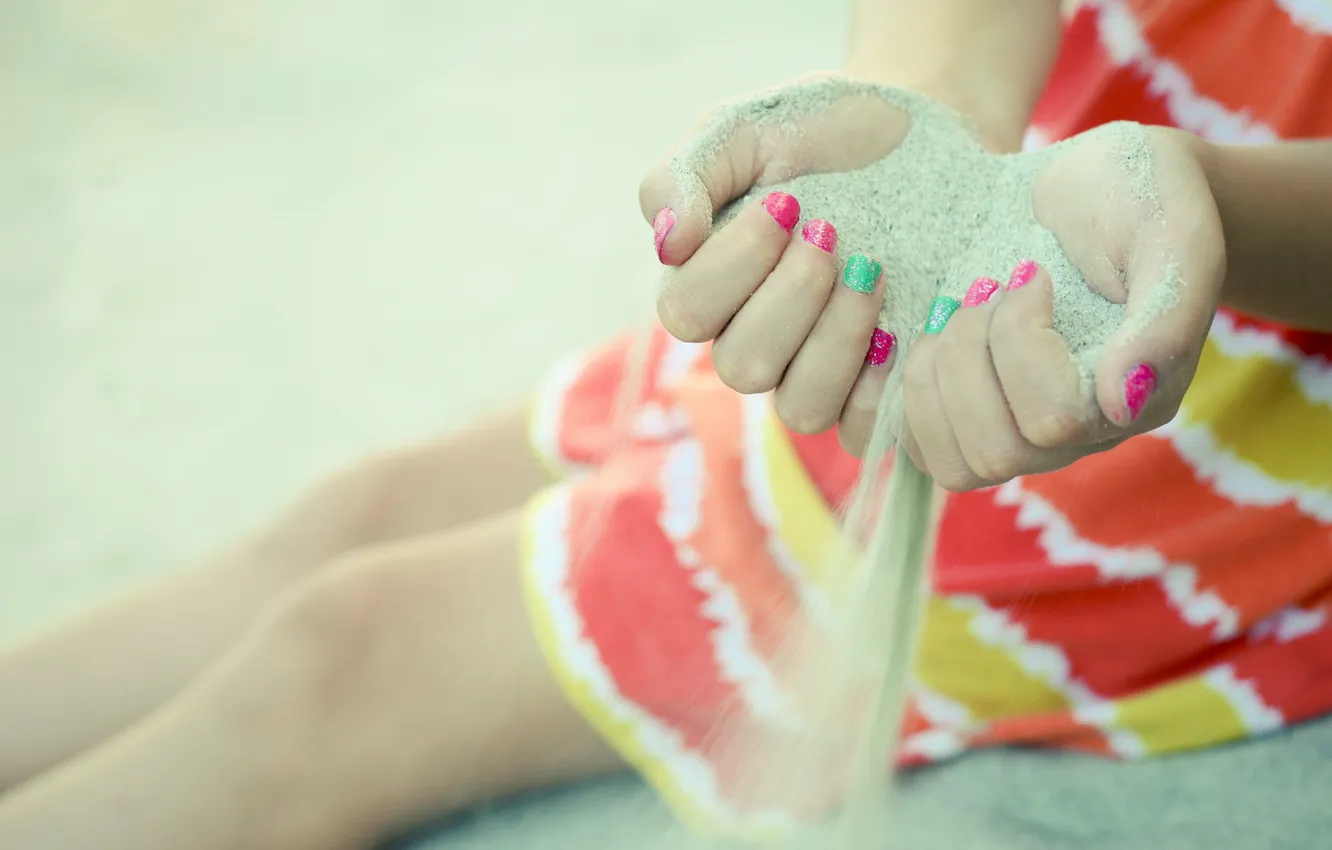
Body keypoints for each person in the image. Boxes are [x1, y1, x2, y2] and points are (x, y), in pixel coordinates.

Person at [0, 0, 1329, 847]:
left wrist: (1201, 211)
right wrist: (932, 110)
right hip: (957, 219)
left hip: (1158, 451)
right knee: (352, 520)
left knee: (331, 666)